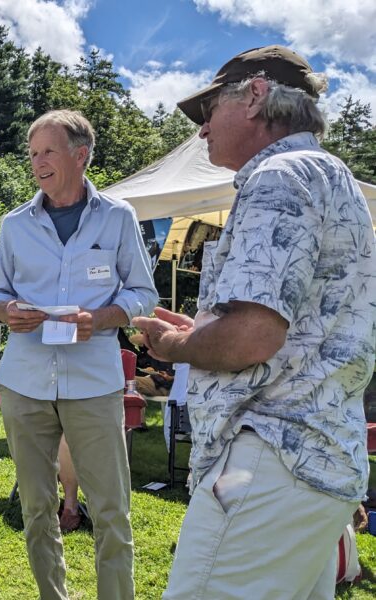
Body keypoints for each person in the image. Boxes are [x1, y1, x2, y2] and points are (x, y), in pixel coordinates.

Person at [132, 45, 375, 599]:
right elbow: (292, 332)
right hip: (317, 458)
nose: (200, 132)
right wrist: (199, 335)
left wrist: (173, 346)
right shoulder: (332, 178)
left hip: (268, 457)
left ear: (256, 94)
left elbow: (253, 336)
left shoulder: (279, 177)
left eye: (207, 111)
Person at [0, 109, 158, 600]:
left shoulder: (118, 217)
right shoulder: (14, 224)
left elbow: (144, 294)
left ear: (81, 155)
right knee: (36, 509)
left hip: (93, 384)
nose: (37, 162)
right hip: (24, 383)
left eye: (48, 152)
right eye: (33, 153)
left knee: (111, 511)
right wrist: (5, 310)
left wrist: (100, 319)